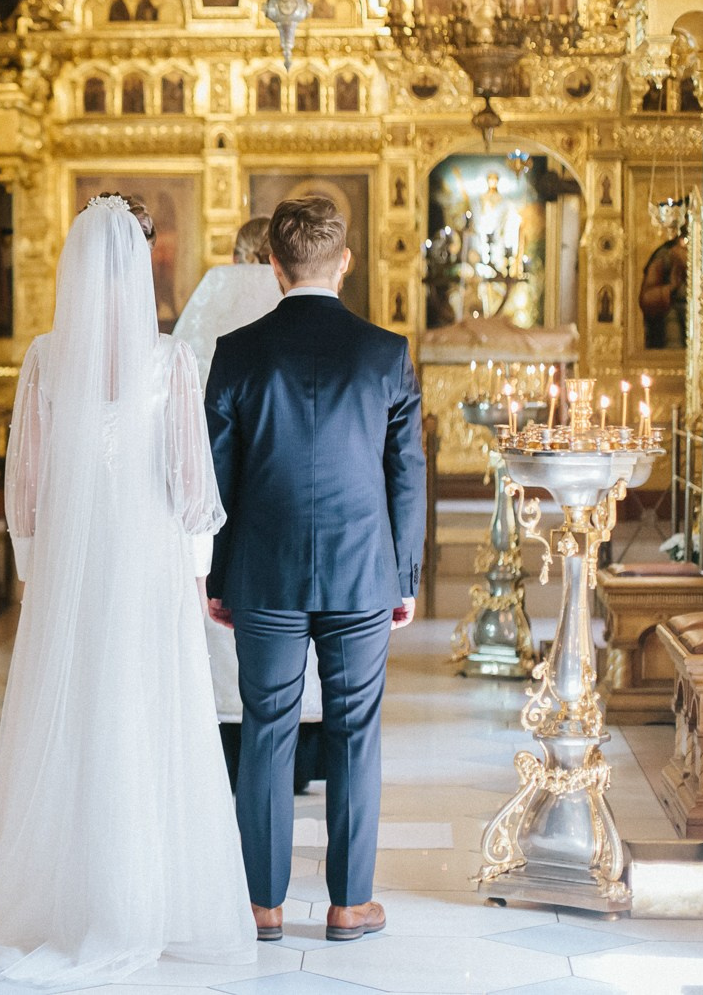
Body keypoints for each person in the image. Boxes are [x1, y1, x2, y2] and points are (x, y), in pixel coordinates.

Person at [0, 194, 254, 987]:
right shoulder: (171, 361)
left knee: (78, 714)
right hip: (152, 565)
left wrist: (31, 574)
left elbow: (25, 484)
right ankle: (146, 901)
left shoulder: (46, 359)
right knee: (149, 714)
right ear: (139, 268)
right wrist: (196, 579)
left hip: (69, 568)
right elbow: (193, 485)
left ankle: (70, 896)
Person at [204, 195, 424, 945]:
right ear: (346, 261)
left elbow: (216, 479)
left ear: (273, 265)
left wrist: (218, 577)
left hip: (262, 571)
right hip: (364, 570)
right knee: (355, 730)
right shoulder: (386, 352)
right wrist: (406, 575)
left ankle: (262, 904)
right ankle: (348, 904)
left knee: (266, 727)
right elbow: (407, 475)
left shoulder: (237, 351)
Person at [174, 219, 325, 792]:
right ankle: (301, 761)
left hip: (220, 501)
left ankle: (231, 760)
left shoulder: (210, 301)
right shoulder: (298, 306)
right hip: (298, 502)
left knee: (224, 631)